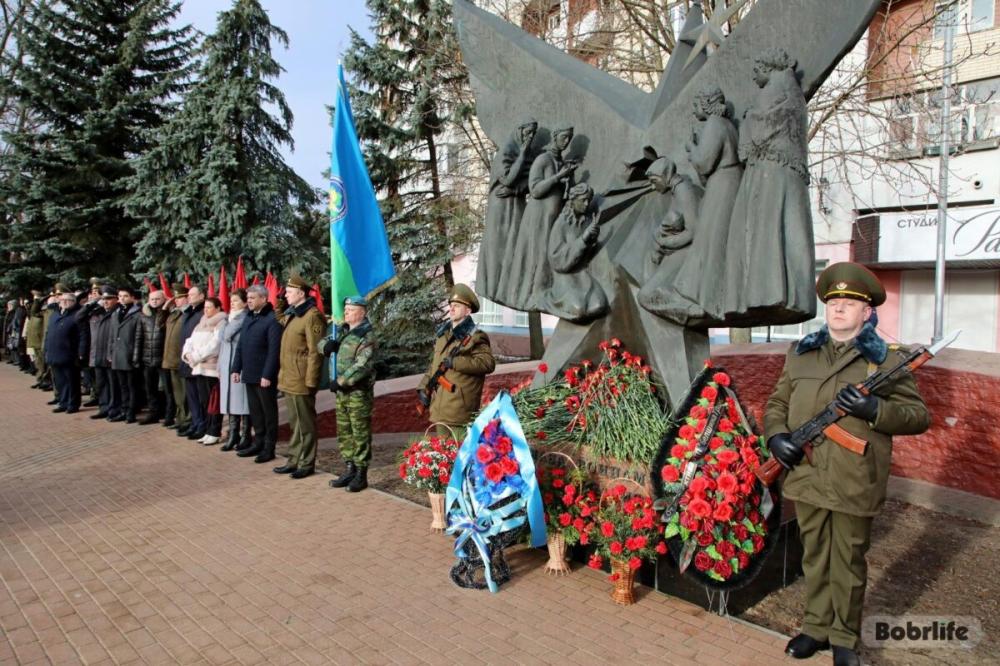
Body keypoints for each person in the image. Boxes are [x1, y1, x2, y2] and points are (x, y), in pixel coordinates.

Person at [764, 262, 931, 666]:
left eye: (849, 303)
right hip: (806, 474)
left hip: (855, 478)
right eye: (833, 301)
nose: (838, 308)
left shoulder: (886, 361)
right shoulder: (801, 353)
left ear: (867, 312)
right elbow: (777, 404)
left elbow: (917, 415)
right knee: (814, 557)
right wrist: (777, 436)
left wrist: (875, 408)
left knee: (849, 562)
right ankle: (814, 629)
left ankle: (843, 637)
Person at [417, 284, 496, 443]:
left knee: (459, 458)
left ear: (467, 311)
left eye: (457, 306)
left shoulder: (476, 337)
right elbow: (435, 365)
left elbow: (487, 364)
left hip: (459, 410)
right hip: (440, 408)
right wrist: (423, 387)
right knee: (443, 457)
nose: (451, 309)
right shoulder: (443, 335)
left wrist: (456, 362)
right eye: (451, 305)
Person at [322, 295, 377, 492]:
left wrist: (341, 381)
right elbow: (323, 344)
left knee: (359, 432)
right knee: (345, 432)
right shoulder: (342, 331)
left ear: (362, 312)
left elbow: (362, 365)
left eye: (351, 310)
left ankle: (361, 473)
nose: (346, 312)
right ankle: (349, 468)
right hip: (341, 393)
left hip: (357, 393)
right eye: (345, 309)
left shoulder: (366, 335)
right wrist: (326, 347)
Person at [272, 275, 325, 479]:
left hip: (302, 378)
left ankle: (306, 462)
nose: (286, 294)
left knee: (305, 424)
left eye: (289, 292)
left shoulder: (311, 316)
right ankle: (294, 459)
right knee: (295, 423)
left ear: (301, 293)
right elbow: (279, 317)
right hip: (289, 377)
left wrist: (312, 381)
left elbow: (315, 351)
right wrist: (278, 301)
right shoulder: (294, 314)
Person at [232, 284, 282, 463]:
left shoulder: (272, 319)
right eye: (248, 298)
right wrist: (236, 368)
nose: (249, 301)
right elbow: (241, 345)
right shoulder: (248, 317)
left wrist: (268, 375)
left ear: (263, 298)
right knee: (255, 412)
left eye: (252, 298)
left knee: (268, 413)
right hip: (249, 374)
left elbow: (273, 351)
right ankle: (258, 442)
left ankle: (269, 447)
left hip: (264, 377)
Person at [181, 296, 227, 445]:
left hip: (211, 369)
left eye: (209, 307)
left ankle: (215, 431)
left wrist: (196, 356)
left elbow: (215, 345)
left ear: (218, 308)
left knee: (213, 402)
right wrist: (187, 354)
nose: (206, 310)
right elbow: (189, 341)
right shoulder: (200, 323)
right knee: (204, 402)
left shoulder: (221, 322)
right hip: (199, 367)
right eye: (205, 307)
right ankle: (207, 430)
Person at [217, 289, 250, 451]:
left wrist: (224, 323)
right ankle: (233, 434)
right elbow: (221, 344)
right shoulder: (230, 318)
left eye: (236, 300)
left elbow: (226, 335)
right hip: (226, 364)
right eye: (231, 300)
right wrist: (219, 366)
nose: (232, 303)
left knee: (241, 403)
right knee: (230, 402)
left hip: (239, 365)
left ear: (244, 303)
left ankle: (245, 435)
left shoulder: (242, 318)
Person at [44, 291, 84, 413]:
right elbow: (48, 333)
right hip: (54, 353)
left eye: (68, 300)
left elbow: (83, 335)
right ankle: (63, 402)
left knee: (71, 381)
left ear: (74, 302)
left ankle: (73, 404)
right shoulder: (55, 315)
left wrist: (81, 352)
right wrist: (46, 348)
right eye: (62, 300)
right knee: (60, 381)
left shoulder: (77, 315)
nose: (64, 302)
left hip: (69, 354)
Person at [110, 287, 142, 423]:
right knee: (122, 385)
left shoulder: (137, 314)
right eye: (120, 296)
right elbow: (111, 336)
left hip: (129, 355)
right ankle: (124, 409)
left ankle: (131, 411)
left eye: (125, 296)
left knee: (132, 385)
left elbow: (138, 337)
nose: (122, 298)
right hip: (117, 355)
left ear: (132, 297)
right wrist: (110, 353)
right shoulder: (116, 313)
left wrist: (135, 356)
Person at [161, 284, 190, 432]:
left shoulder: (188, 314)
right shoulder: (173, 314)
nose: (176, 301)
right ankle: (180, 419)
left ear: (187, 298)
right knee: (177, 394)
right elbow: (160, 324)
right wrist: (165, 307)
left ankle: (187, 421)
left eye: (180, 298)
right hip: (171, 359)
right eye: (175, 298)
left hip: (182, 359)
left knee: (185, 394)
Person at [136, 289, 168, 424]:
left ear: (163, 300)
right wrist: (136, 356)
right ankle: (153, 412)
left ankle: (167, 412)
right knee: (150, 388)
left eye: (157, 299)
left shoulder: (168, 314)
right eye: (152, 299)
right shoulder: (143, 316)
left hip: (163, 358)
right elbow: (139, 337)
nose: (154, 302)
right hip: (148, 358)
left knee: (166, 388)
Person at [179, 285, 206, 440]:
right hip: (186, 360)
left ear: (201, 296)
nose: (189, 297)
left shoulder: (203, 313)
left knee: (199, 396)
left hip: (197, 361)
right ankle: (195, 423)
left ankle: (201, 425)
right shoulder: (188, 312)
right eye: (188, 295)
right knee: (191, 397)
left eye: (192, 294)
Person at [89, 287, 119, 420]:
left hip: (110, 355)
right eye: (103, 299)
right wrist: (93, 303)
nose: (105, 302)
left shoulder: (117, 313)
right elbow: (80, 317)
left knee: (113, 385)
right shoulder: (98, 312)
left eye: (108, 299)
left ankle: (114, 409)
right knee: (101, 384)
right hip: (98, 355)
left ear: (115, 299)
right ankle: (104, 407)